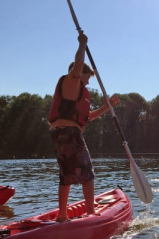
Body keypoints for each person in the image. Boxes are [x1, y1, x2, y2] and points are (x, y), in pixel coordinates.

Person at [48, 31, 119, 222]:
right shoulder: (71, 81)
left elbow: (88, 118)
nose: (87, 82)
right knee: (87, 171)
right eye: (86, 78)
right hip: (69, 133)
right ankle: (90, 212)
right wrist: (82, 44)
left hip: (59, 133)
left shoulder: (77, 93)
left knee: (67, 173)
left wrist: (106, 106)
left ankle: (62, 215)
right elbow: (78, 66)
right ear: (78, 74)